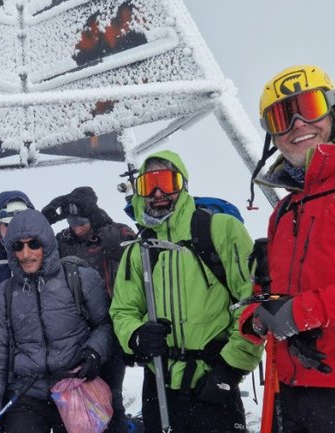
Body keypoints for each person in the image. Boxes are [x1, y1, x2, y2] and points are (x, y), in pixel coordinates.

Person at [110, 150, 263, 433]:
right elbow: (123, 310)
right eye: (147, 184)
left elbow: (252, 301)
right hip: (159, 383)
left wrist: (229, 368)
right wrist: (137, 335)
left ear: (183, 184)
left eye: (167, 182)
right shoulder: (141, 247)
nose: (157, 193)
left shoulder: (219, 230)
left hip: (213, 379)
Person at [239, 64, 335, 432]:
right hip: (290, 392)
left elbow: (299, 307)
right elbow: (267, 292)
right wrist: (258, 317)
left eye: (308, 107)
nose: (297, 124)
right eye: (282, 116)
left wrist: (303, 312)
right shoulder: (283, 210)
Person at [0, 209, 113, 433]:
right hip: (27, 393)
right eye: (18, 246)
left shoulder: (79, 278)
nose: (26, 253)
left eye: (33, 244)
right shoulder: (5, 294)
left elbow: (106, 325)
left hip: (74, 386)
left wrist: (93, 352)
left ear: (47, 246)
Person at [42, 186, 136, 433]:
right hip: (75, 332)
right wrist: (45, 218)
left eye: (83, 220)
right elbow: (34, 248)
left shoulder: (113, 234)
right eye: (72, 220)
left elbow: (128, 241)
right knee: (74, 404)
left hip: (111, 330)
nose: (78, 227)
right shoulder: (62, 241)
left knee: (111, 399)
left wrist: (99, 219)